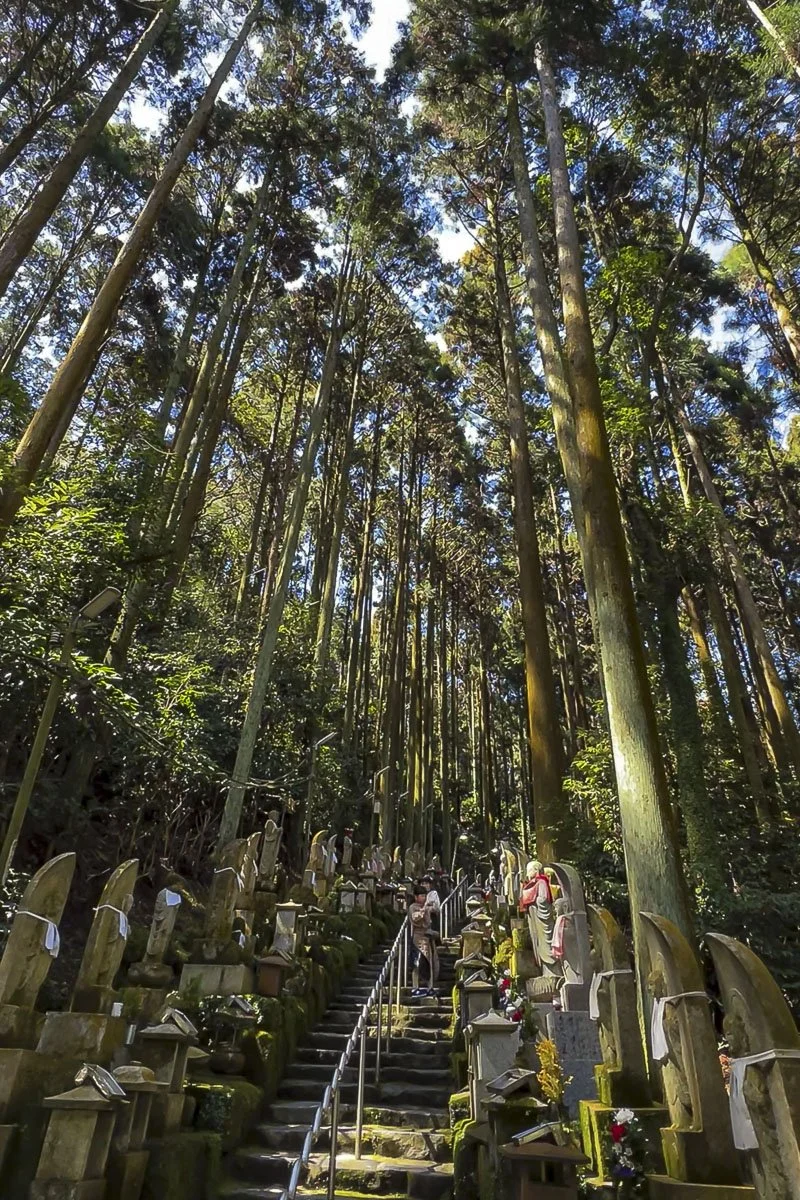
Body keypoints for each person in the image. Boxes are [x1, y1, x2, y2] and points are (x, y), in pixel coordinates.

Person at [408, 882, 438, 995]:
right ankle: (415, 987)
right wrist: (424, 909)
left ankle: (430, 987)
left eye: (424, 896)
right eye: (421, 896)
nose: (423, 898)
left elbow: (431, 917)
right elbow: (415, 919)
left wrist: (430, 907)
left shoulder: (426, 907)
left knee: (429, 963)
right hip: (417, 937)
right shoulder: (413, 907)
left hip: (427, 937)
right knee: (417, 963)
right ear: (416, 897)